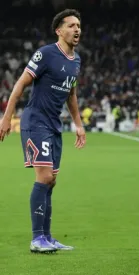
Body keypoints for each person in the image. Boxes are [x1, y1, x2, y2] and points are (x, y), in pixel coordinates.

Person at [0, 9, 86, 253]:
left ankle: (47, 237)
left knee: (52, 181)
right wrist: (7, 117)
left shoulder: (76, 60)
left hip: (54, 125)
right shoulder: (46, 54)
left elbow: (71, 94)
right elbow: (21, 83)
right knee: (45, 177)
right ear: (59, 31)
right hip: (35, 121)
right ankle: (37, 238)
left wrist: (78, 125)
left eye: (78, 25)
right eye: (71, 25)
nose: (77, 29)